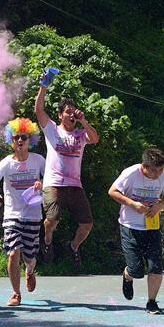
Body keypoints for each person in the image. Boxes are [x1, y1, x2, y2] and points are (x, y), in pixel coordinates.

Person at [34, 74, 99, 267]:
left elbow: (95, 139)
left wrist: (84, 121)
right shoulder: (52, 130)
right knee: (52, 219)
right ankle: (46, 240)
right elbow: (39, 110)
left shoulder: (80, 134)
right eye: (68, 112)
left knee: (87, 224)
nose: (71, 115)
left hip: (75, 184)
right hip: (54, 183)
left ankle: (74, 246)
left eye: (74, 112)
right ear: (60, 115)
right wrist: (43, 87)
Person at [0, 118, 46, 306]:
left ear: (30, 140)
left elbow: (52, 183)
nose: (20, 140)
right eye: (16, 137)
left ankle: (29, 270)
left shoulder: (38, 160)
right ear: (11, 140)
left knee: (29, 255)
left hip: (33, 215)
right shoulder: (6, 163)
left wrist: (41, 184)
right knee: (13, 253)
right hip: (12, 215)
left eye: (24, 137)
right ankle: (16, 293)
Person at [108, 147, 164, 314]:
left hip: (152, 227)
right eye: (155, 170)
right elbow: (112, 192)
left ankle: (152, 302)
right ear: (144, 167)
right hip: (130, 226)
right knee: (136, 270)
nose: (159, 173)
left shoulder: (163, 175)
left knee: (156, 266)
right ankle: (127, 276)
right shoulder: (131, 173)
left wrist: (159, 206)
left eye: (161, 169)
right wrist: (132, 204)